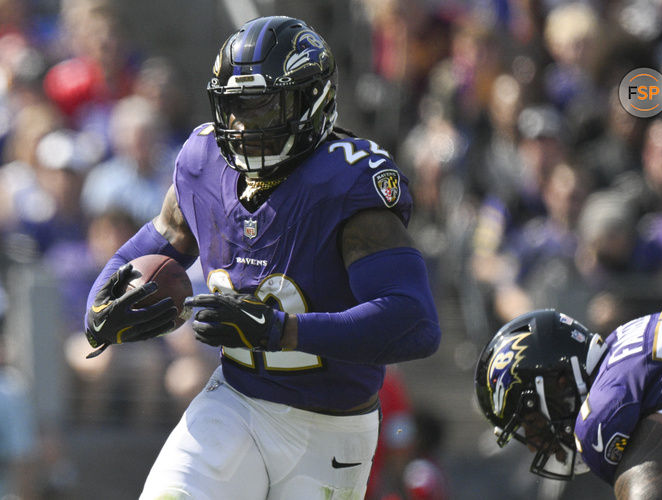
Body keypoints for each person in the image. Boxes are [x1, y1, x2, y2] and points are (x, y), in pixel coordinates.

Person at [83, 15, 441, 499]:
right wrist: (101, 303)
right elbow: (158, 237)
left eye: (261, 105)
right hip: (235, 402)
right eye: (233, 107)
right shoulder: (202, 162)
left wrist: (282, 331)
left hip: (330, 428)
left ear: (311, 101)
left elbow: (414, 322)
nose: (241, 125)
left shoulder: (348, 183)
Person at [474, 306, 662, 499]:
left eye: (530, 421)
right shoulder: (626, 340)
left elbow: (652, 483)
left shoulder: (602, 415)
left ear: (560, 383)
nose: (533, 443)